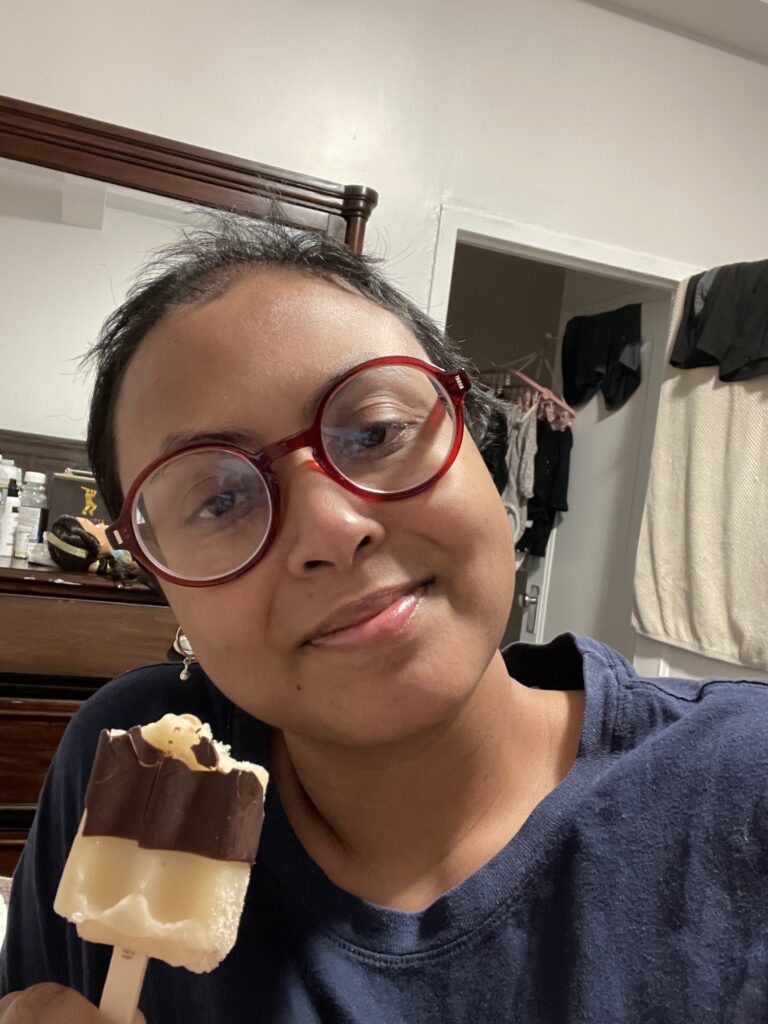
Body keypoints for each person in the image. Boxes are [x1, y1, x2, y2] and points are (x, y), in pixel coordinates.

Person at [2, 218, 768, 1024]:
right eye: (219, 498)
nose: (332, 528)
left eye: (375, 433)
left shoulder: (743, 784)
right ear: (159, 574)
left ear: (474, 441)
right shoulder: (125, 751)